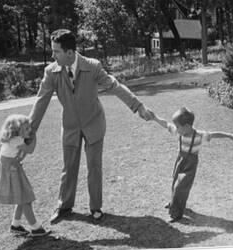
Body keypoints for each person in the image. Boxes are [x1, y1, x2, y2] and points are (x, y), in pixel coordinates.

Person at [28, 29, 154, 224]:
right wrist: (30, 130)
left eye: (56, 52)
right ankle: (64, 206)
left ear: (70, 53)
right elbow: (41, 101)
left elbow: (115, 86)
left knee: (94, 167)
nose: (52, 56)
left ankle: (95, 208)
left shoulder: (93, 66)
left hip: (94, 123)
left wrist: (138, 106)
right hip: (70, 126)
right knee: (69, 168)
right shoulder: (51, 72)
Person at [151, 107, 233, 221]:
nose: (176, 129)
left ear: (186, 126)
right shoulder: (179, 132)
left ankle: (176, 213)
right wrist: (154, 117)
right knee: (175, 182)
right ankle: (174, 202)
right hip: (180, 160)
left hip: (190, 164)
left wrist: (230, 135)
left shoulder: (199, 135)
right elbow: (166, 124)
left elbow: (214, 134)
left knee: (181, 187)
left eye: (178, 127)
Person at [0, 114, 49, 237]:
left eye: (29, 128)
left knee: (22, 197)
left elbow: (23, 153)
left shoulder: (15, 138)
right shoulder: (16, 140)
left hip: (13, 168)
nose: (29, 131)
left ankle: (16, 225)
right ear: (15, 131)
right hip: (10, 170)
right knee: (25, 199)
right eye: (26, 129)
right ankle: (35, 228)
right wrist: (34, 136)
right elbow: (30, 150)